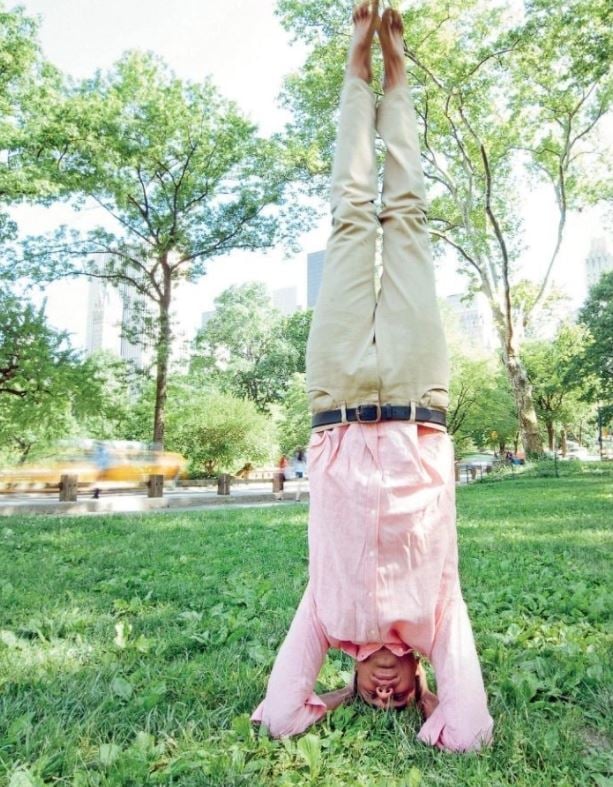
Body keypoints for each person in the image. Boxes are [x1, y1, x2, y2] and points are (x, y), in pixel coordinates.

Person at [252, 2, 493, 752]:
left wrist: (321, 693)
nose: (384, 691)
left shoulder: (324, 615)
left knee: (351, 218)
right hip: (419, 396)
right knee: (410, 218)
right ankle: (397, 74)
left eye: (371, 697)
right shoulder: (438, 616)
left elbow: (280, 715)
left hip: (336, 399)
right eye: (399, 698)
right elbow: (470, 733)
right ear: (421, 682)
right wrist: (434, 702)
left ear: (350, 679)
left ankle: (357, 71)